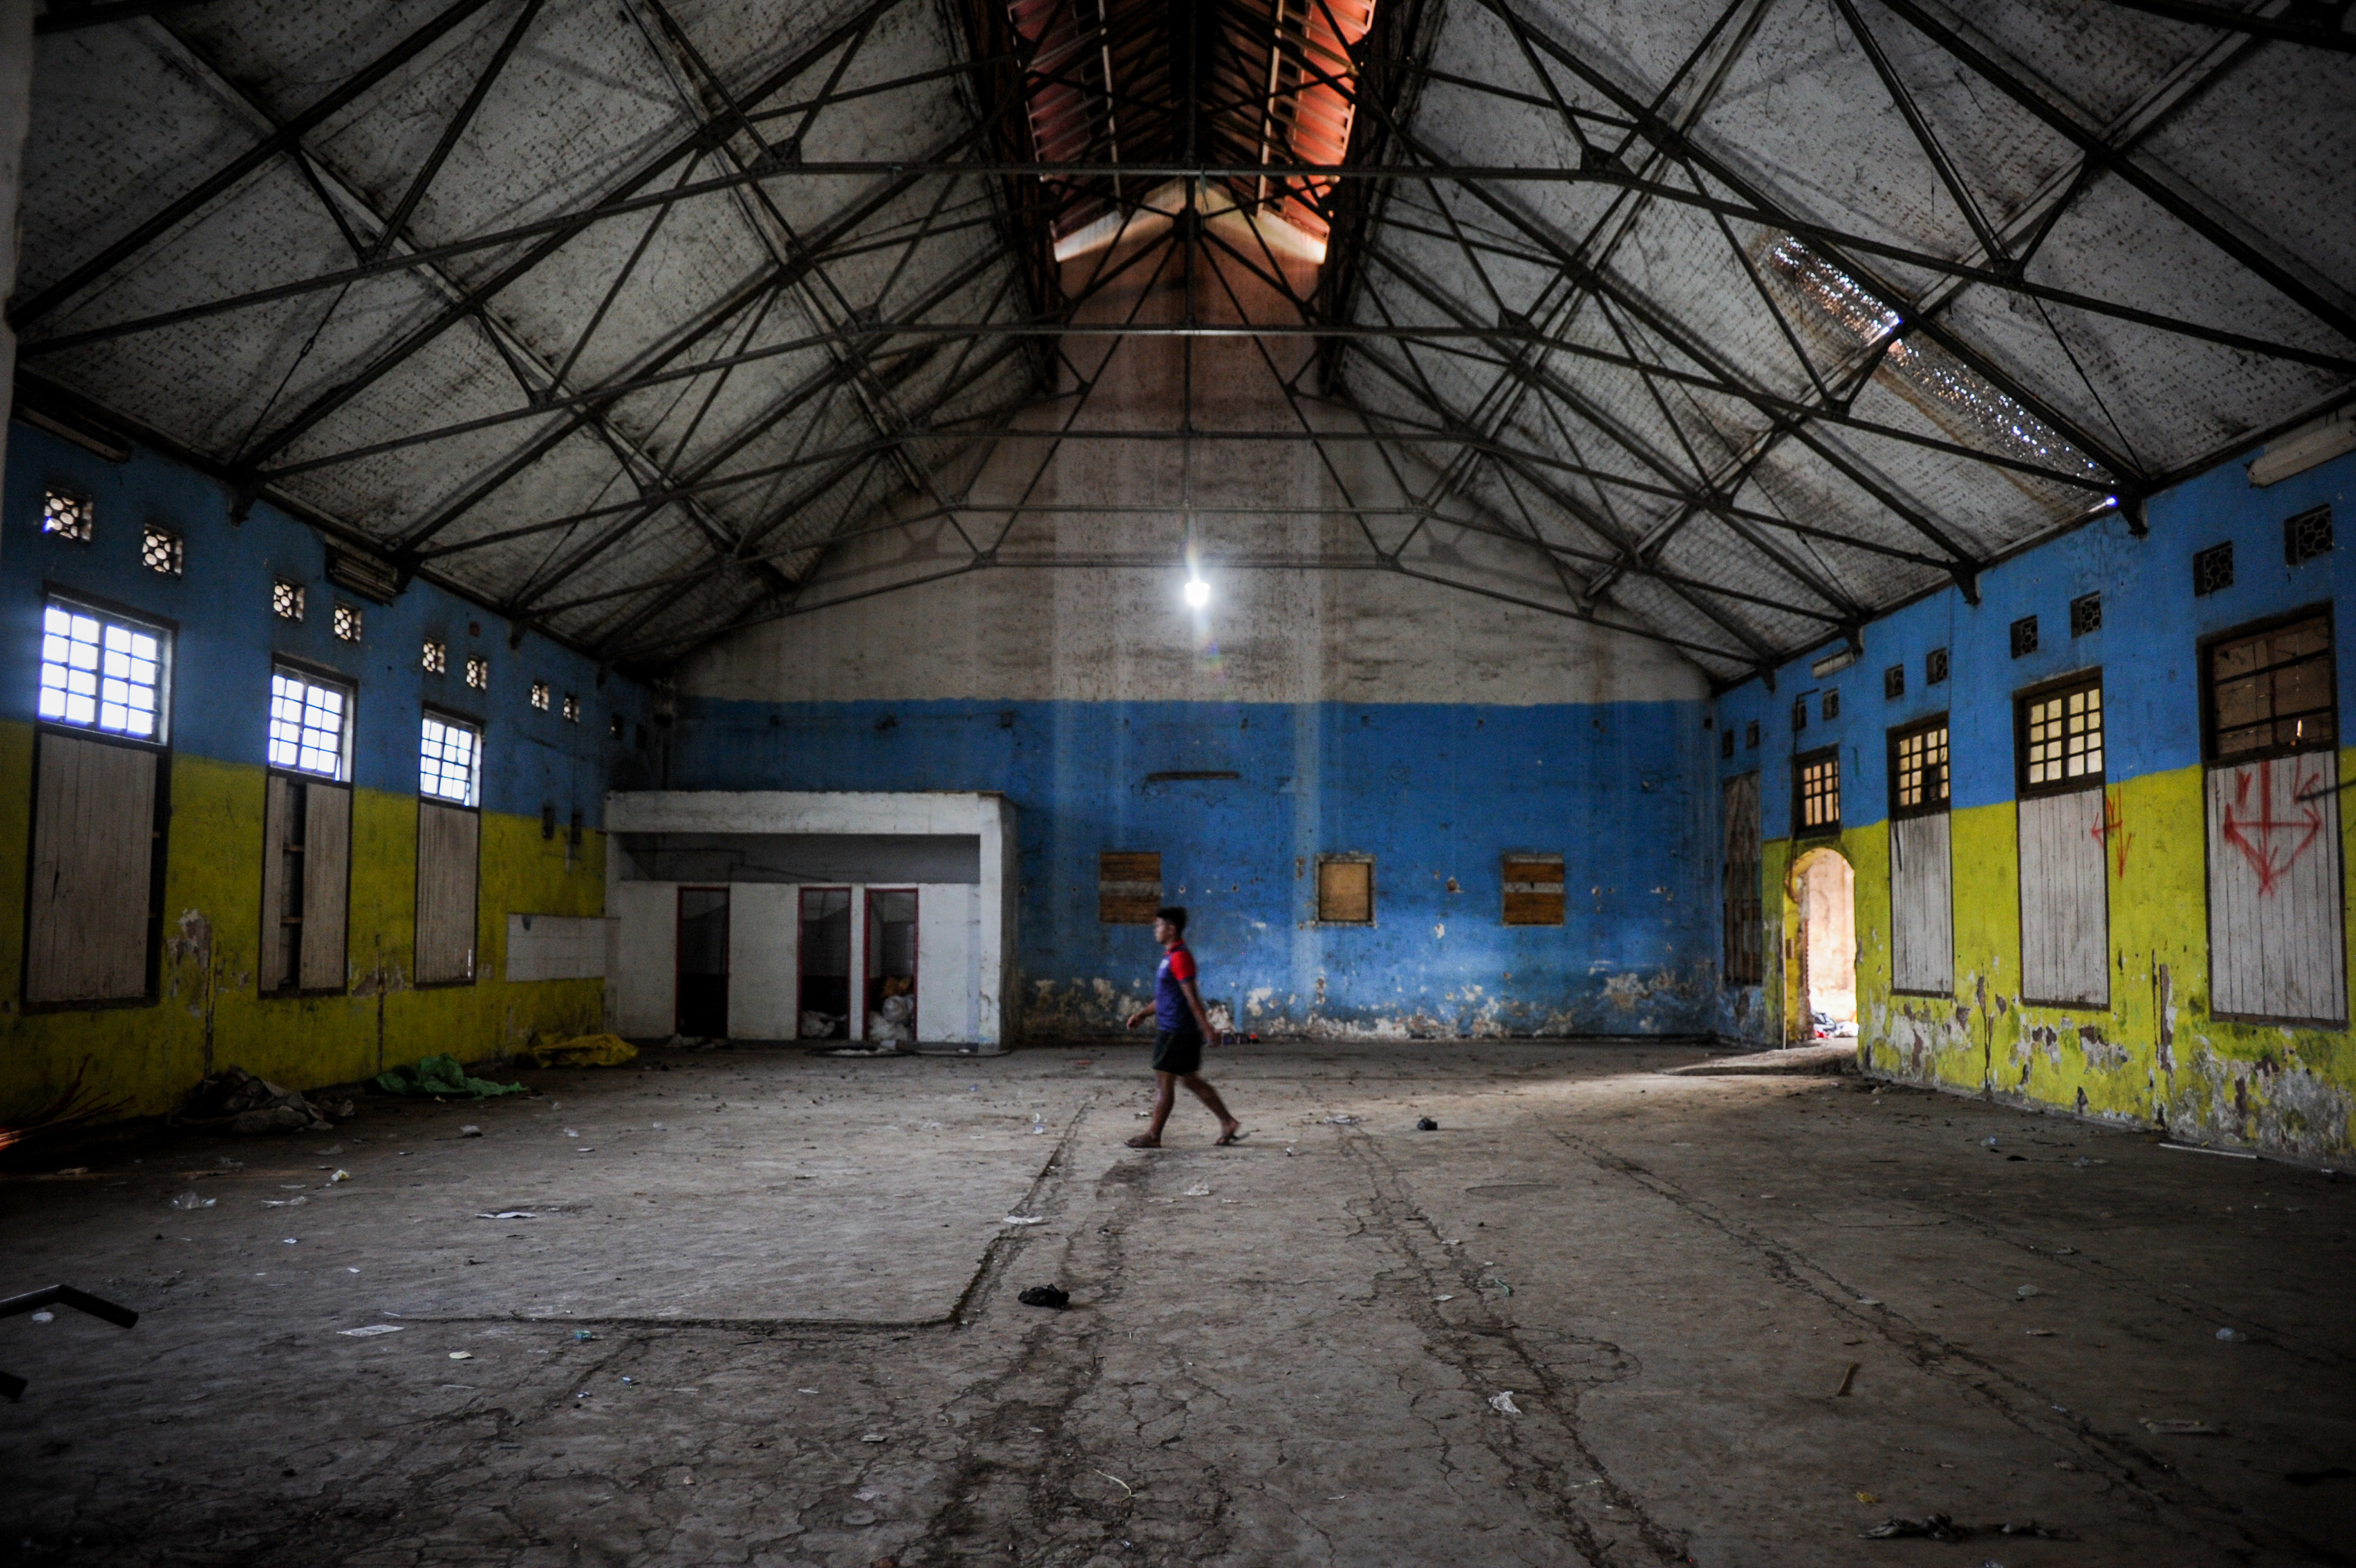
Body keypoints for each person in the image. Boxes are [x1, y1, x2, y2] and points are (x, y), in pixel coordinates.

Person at [1123, 905, 1242, 1148]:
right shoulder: (1171, 957)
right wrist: (1143, 1014)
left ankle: (1154, 1135)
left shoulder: (1180, 958)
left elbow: (1192, 997)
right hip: (1180, 1030)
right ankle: (1228, 1122)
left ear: (1171, 929)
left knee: (1164, 1080)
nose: (1155, 930)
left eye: (1159, 926)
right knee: (1190, 1080)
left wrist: (1208, 1028)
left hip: (1175, 1031)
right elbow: (1166, 998)